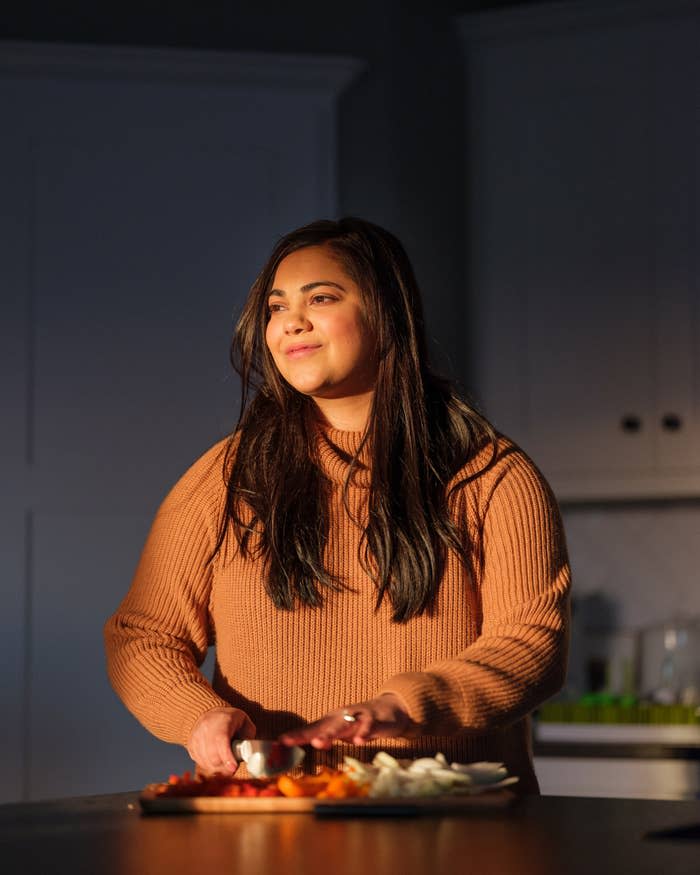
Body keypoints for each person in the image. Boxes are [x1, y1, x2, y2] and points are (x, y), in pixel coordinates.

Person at [104, 217, 570, 794]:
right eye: (276, 307)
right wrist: (197, 715)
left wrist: (403, 706)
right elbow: (143, 634)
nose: (291, 321)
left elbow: (531, 642)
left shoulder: (491, 474)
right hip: (270, 820)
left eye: (321, 298)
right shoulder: (225, 478)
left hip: (453, 818)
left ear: (386, 313)